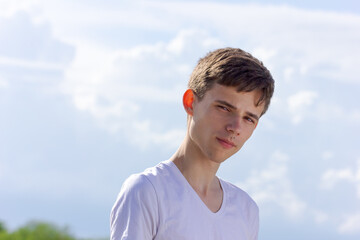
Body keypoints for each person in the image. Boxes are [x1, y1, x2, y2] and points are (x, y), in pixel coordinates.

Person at [110, 47, 274, 240]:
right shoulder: (148, 191)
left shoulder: (246, 210)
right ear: (190, 102)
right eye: (224, 108)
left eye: (248, 118)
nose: (235, 127)